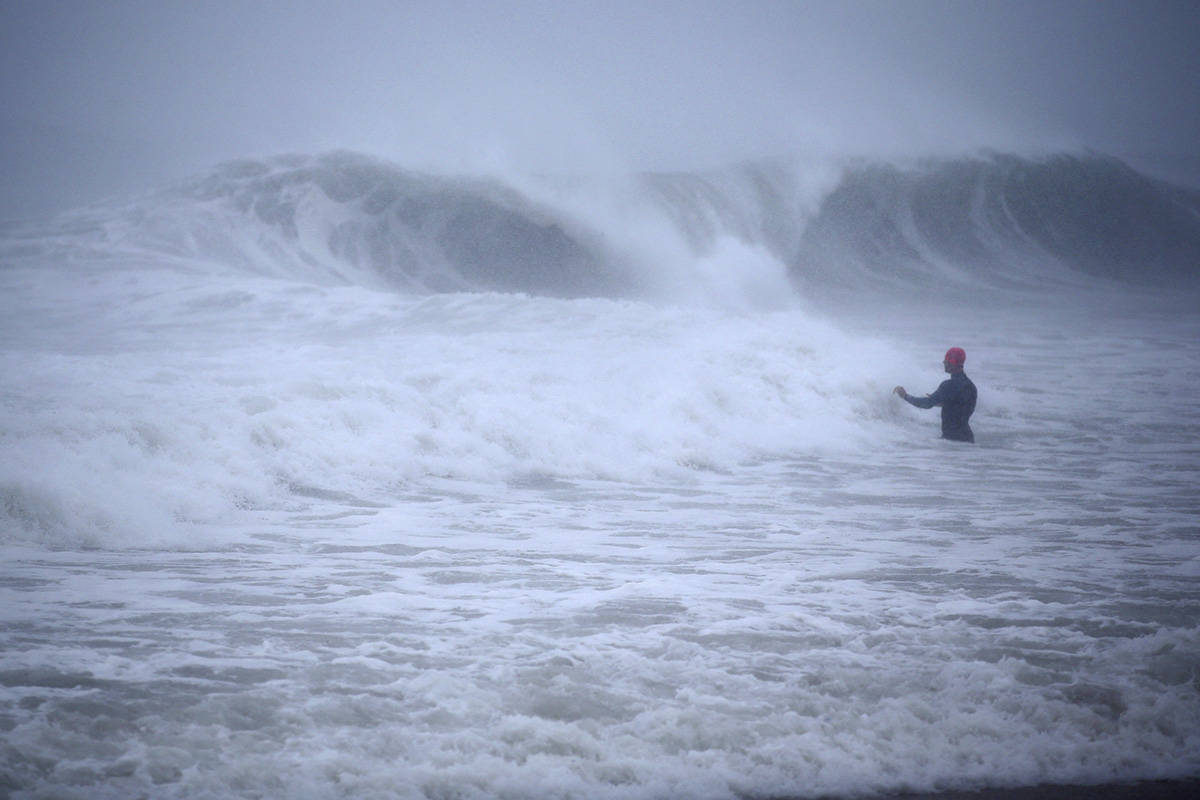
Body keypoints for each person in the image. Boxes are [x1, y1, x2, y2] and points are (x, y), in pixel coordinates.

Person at [893, 347, 977, 442]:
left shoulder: (948, 385)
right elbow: (960, 406)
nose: (943, 362)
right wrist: (940, 402)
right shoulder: (971, 386)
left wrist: (905, 396)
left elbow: (927, 404)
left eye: (946, 359)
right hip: (968, 441)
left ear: (952, 362)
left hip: (952, 441)